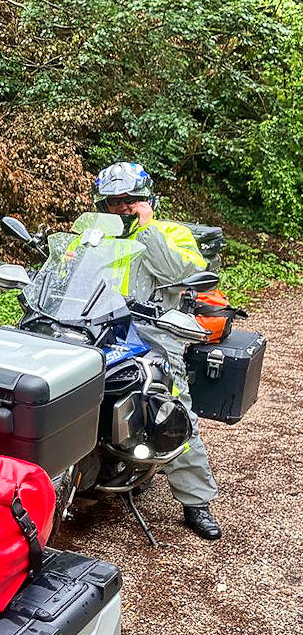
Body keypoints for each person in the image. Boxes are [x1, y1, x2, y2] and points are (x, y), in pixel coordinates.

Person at [93, 161, 222, 540]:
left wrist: (146, 229)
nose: (123, 206)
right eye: (114, 201)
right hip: (97, 326)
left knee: (171, 408)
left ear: (149, 199)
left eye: (131, 199)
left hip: (154, 332)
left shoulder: (171, 232)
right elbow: (69, 273)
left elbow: (181, 273)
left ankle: (196, 501)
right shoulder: (96, 234)